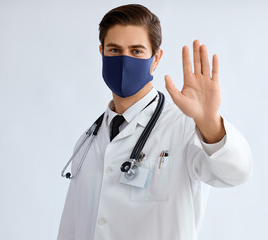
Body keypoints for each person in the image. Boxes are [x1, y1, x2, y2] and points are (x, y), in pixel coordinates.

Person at [57, 4, 253, 240]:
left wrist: (209, 121)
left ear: (156, 58)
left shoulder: (184, 128)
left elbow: (236, 173)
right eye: (114, 50)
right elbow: (71, 227)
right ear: (102, 52)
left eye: (137, 51)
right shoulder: (88, 141)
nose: (124, 60)